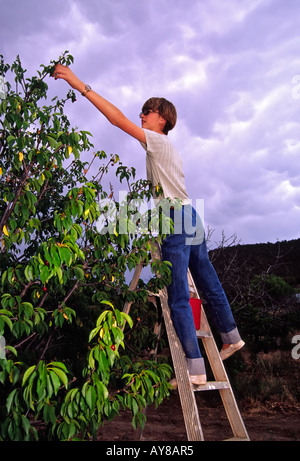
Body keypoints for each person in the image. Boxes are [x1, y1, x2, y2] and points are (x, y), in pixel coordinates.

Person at [52, 64, 245, 385]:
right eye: (142, 111)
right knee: (208, 280)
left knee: (178, 295)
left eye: (148, 111)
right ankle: (232, 335)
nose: (142, 115)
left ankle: (195, 369)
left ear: (163, 119)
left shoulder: (157, 141)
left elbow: (116, 120)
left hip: (174, 216)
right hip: (191, 214)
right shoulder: (169, 148)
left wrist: (79, 84)